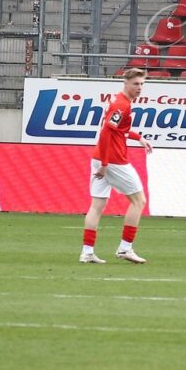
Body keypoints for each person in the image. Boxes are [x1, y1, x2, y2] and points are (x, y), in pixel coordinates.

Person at [80, 67, 154, 264]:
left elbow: (119, 130)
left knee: (97, 206)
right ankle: (125, 248)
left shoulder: (117, 100)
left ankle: (87, 252)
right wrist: (105, 164)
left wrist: (139, 138)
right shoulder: (123, 105)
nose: (139, 88)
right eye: (136, 84)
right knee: (139, 201)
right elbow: (106, 133)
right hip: (112, 160)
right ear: (126, 83)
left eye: (142, 84)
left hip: (100, 157)